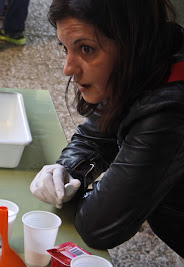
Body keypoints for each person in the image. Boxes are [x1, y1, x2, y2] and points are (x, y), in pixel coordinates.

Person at [30, 0, 184, 258]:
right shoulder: (147, 57)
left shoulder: (168, 111)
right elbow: (94, 138)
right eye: (65, 48)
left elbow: (98, 226)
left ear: (129, 41)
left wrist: (79, 194)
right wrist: (66, 171)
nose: (68, 68)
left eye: (86, 49)